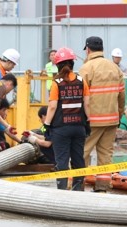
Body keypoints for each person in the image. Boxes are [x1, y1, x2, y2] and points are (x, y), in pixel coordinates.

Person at [79, 36, 125, 193]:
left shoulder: (86, 68)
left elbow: (80, 96)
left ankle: (79, 185)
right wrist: (118, 115)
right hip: (111, 119)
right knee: (106, 155)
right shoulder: (115, 68)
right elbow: (121, 96)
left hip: (92, 121)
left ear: (88, 50)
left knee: (83, 152)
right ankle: (102, 187)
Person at [43, 47, 90, 191]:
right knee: (78, 159)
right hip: (78, 127)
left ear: (57, 65)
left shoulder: (56, 83)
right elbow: (87, 104)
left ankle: (62, 192)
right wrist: (88, 122)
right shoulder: (82, 81)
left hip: (60, 129)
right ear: (72, 64)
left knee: (62, 160)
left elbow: (52, 107)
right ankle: (77, 190)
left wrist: (46, 125)